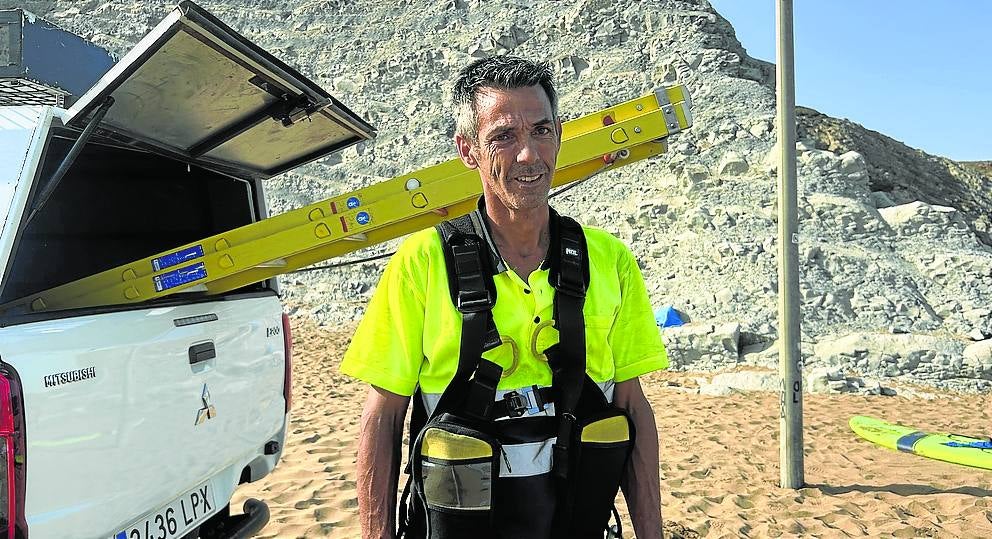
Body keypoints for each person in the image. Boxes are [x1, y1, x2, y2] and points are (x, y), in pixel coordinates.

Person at [340, 55, 668, 539]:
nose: (528, 156)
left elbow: (631, 407)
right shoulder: (423, 262)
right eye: (503, 137)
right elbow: (382, 416)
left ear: (559, 134)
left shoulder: (609, 260)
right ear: (468, 150)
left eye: (540, 130)